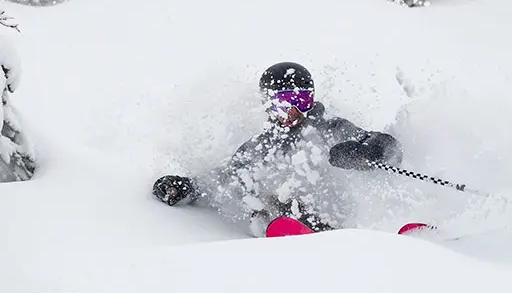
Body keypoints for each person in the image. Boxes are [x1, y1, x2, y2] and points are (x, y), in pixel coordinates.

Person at [152, 62, 402, 236]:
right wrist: (187, 187)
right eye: (283, 104)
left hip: (336, 225)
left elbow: (389, 148)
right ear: (268, 105)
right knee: (270, 197)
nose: (293, 111)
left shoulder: (331, 130)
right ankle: (284, 227)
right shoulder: (261, 147)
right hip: (284, 224)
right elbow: (225, 180)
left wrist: (365, 153)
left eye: (301, 101)